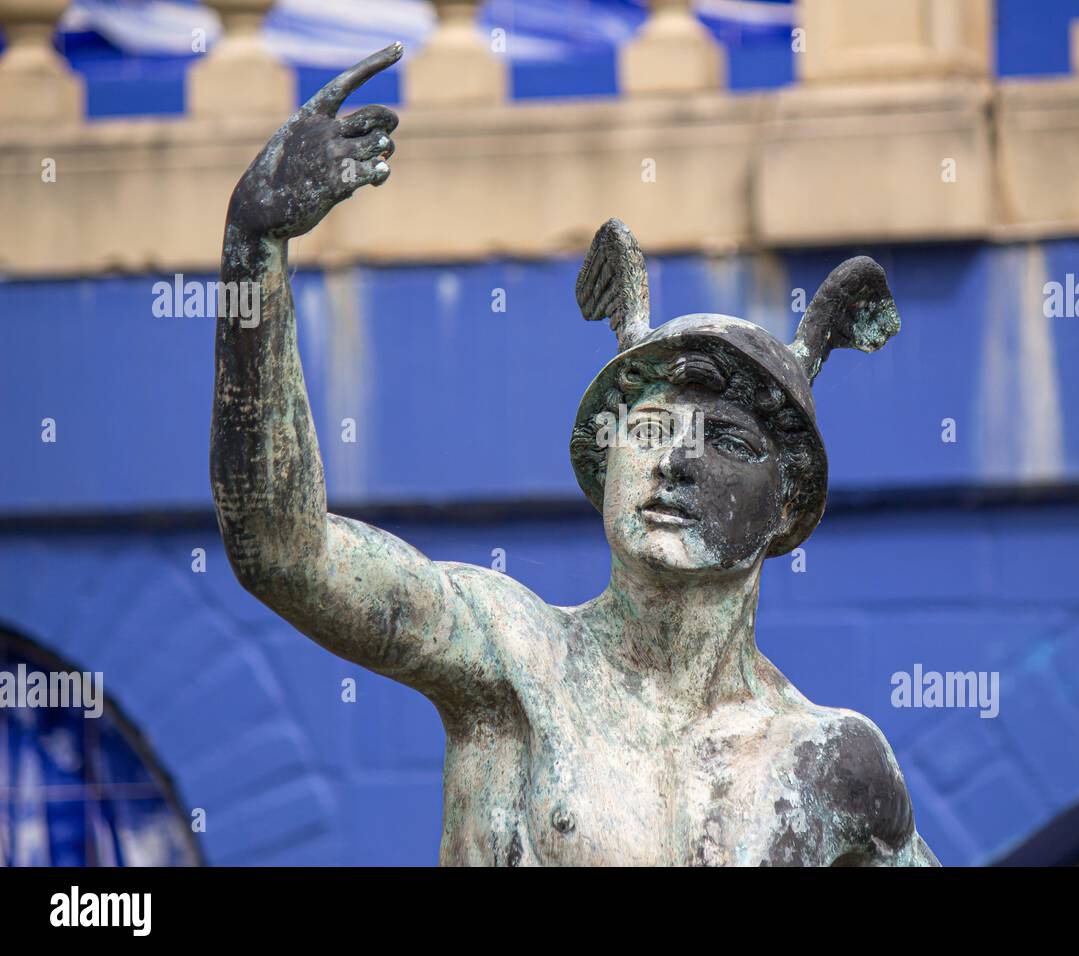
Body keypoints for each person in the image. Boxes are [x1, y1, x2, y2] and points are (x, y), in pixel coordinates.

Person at [211, 43, 938, 867]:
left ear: (788, 504)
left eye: (729, 443)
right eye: (653, 431)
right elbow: (282, 550)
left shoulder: (834, 766)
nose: (677, 464)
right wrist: (253, 253)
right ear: (608, 457)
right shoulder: (510, 662)